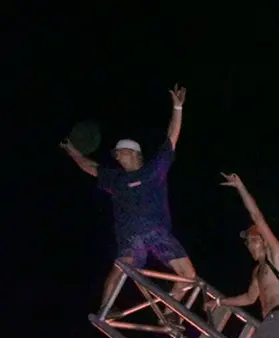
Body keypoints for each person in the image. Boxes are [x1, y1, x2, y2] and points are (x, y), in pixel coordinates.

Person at [59, 86, 198, 311]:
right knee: (121, 267)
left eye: (120, 152)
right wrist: (72, 151)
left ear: (134, 153)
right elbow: (90, 166)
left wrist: (178, 107)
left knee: (189, 275)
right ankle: (106, 306)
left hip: (159, 234)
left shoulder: (153, 170)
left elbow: (171, 138)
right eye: (115, 153)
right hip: (132, 238)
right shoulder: (115, 179)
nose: (116, 156)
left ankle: (170, 311)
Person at [204, 174, 279, 338]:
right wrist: (219, 302)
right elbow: (249, 297)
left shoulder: (276, 257)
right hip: (275, 324)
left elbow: (258, 217)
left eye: (252, 241)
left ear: (263, 242)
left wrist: (240, 187)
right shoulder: (258, 271)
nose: (249, 246)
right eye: (247, 243)